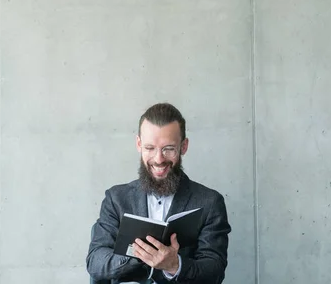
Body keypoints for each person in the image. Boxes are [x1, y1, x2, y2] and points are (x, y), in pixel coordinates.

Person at [86, 103, 231, 284]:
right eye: (150, 148)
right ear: (139, 144)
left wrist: (174, 265)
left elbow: (214, 271)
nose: (159, 159)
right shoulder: (116, 198)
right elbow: (95, 262)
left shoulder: (209, 202)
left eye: (168, 148)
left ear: (183, 146)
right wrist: (140, 255)